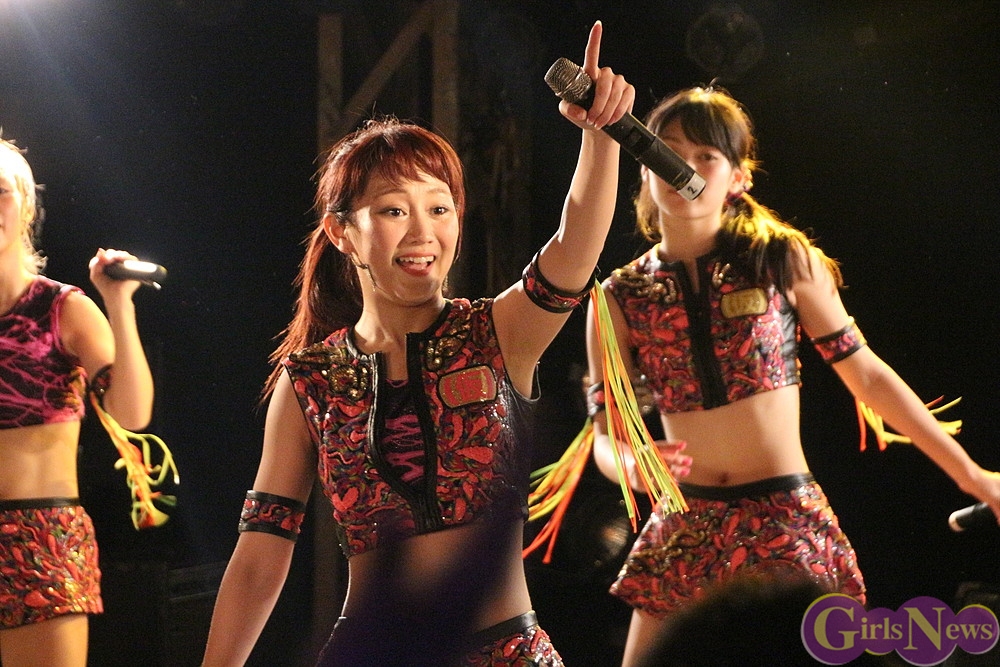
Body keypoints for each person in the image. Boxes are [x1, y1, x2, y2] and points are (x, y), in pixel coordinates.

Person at [201, 21, 633, 667]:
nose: (422, 231)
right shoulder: (310, 379)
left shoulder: (497, 333)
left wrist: (600, 135)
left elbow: (576, 243)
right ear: (342, 233)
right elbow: (262, 551)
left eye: (439, 208)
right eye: (394, 210)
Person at [581, 85, 1000, 667]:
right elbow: (605, 435)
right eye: (669, 150)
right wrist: (630, 464)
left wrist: (974, 477)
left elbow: (868, 376)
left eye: (707, 156)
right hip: (686, 524)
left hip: (784, 516)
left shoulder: (780, 259)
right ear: (645, 167)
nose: (684, 168)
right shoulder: (618, 297)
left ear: (738, 176)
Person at [0, 138, 158, 666]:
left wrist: (117, 302)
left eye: (0, 192)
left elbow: (131, 414)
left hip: (39, 538)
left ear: (25, 206)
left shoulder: (60, 307)